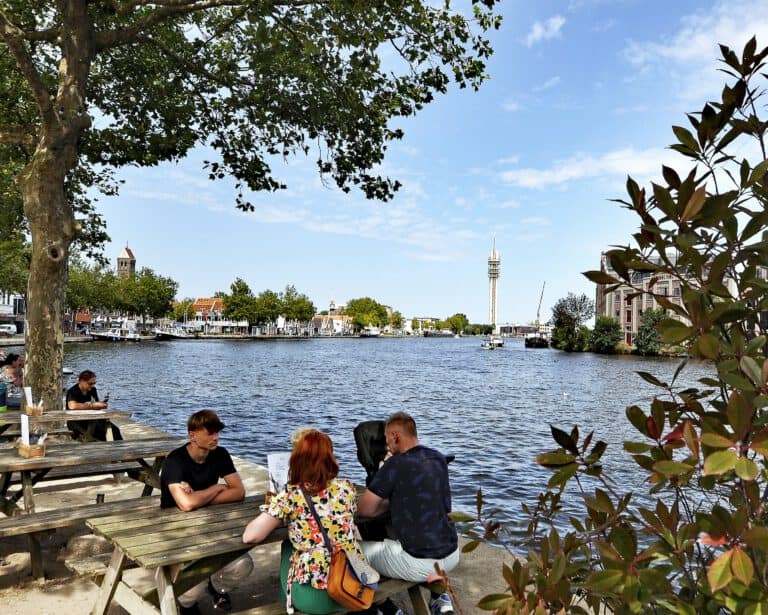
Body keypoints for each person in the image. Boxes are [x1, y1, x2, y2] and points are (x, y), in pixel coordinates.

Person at [243, 428, 365, 615]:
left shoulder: (292, 495)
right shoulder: (347, 488)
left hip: (316, 598)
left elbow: (250, 537)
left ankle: (288, 606)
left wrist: (278, 509)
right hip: (352, 588)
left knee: (289, 549)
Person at [358, 412, 459, 615]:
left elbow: (365, 510)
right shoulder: (438, 458)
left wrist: (388, 500)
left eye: (387, 440)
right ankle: (440, 597)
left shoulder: (395, 465)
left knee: (351, 553)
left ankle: (383, 605)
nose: (387, 447)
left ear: (395, 436)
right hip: (452, 554)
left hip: (417, 564)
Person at [161, 409, 252, 614]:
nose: (216, 437)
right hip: (175, 532)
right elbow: (185, 504)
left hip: (209, 526)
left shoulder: (220, 454)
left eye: (217, 432)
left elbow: (238, 492)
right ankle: (186, 605)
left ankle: (218, 588)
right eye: (210, 433)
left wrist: (199, 498)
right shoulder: (174, 461)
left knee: (243, 565)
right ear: (192, 435)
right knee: (193, 584)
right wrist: (217, 488)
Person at [65, 370, 122, 441]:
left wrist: (101, 405)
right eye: (90, 383)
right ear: (81, 381)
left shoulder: (93, 390)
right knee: (103, 434)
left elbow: (96, 403)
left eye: (94, 383)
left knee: (115, 430)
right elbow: (72, 406)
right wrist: (92, 406)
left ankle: (120, 450)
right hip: (77, 422)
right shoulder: (72, 391)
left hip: (92, 419)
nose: (92, 385)